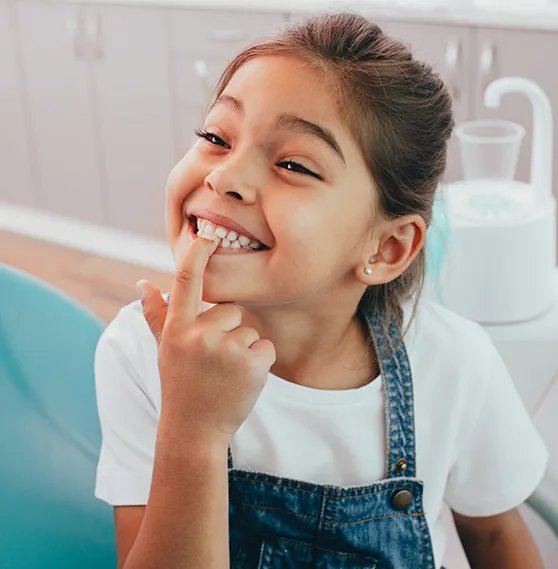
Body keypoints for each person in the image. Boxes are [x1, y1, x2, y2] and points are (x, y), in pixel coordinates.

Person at [93, 12, 549, 569]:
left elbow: (499, 540)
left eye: (292, 164)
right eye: (216, 137)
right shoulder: (140, 352)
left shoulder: (456, 363)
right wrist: (192, 428)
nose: (223, 177)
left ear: (385, 250)